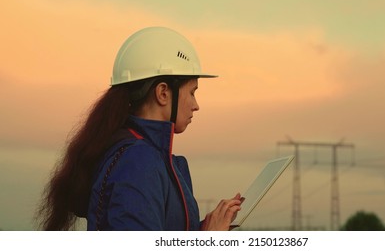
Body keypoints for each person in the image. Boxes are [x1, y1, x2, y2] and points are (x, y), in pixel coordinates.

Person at [37, 27, 243, 230]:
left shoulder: (147, 158)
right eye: (192, 92)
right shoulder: (139, 162)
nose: (196, 105)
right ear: (163, 93)